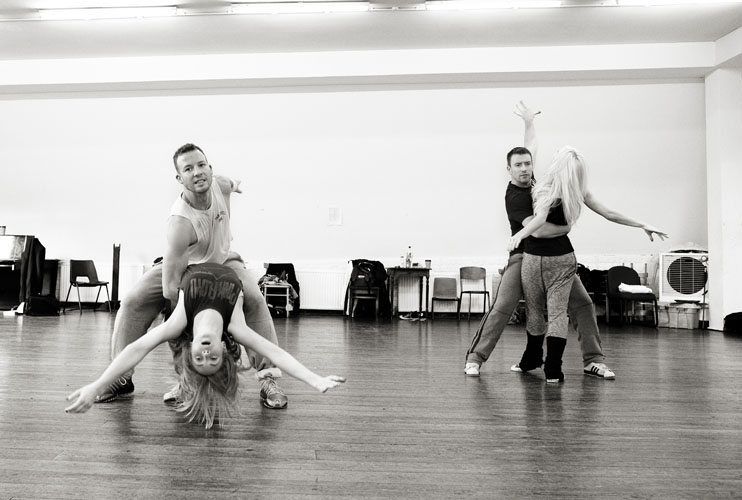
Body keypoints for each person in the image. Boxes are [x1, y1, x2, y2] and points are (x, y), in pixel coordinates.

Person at [465, 102, 667, 380]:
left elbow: (531, 146)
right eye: (518, 166)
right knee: (503, 306)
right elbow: (537, 231)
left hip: (555, 260)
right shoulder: (515, 196)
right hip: (523, 257)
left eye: (527, 164)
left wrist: (528, 122)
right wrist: (567, 228)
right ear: (509, 170)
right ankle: (475, 358)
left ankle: (593, 360)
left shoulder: (539, 183)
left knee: (583, 305)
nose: (525, 168)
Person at [97, 143, 290, 409]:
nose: (197, 172)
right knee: (133, 301)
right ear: (179, 178)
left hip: (225, 261)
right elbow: (169, 289)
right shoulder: (180, 222)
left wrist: (237, 183)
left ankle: (269, 378)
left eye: (201, 165)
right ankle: (121, 377)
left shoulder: (220, 185)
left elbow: (232, 183)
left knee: (255, 299)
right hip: (187, 267)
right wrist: (186, 324)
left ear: (210, 168)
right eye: (188, 169)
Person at [66, 263, 345, 429]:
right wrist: (314, 379)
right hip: (207, 253)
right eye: (213, 360)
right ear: (225, 351)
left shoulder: (178, 323)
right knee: (256, 300)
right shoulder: (235, 327)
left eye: (200, 360)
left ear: (191, 351)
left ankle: (124, 380)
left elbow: (137, 349)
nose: (207, 354)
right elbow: (275, 351)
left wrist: (97, 385)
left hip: (191, 258)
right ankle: (267, 379)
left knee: (131, 300)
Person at [506, 133, 666, 382]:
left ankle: (581, 362)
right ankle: (549, 366)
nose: (528, 166)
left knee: (543, 311)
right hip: (561, 258)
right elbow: (608, 213)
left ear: (557, 165)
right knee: (564, 312)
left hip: (537, 258)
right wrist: (641, 223)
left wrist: (521, 235)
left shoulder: (544, 187)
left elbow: (537, 224)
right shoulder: (574, 189)